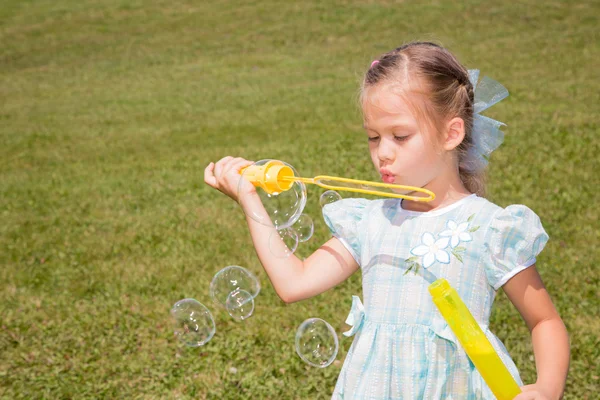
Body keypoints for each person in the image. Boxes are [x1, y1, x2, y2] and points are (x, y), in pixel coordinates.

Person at [204, 41, 570, 399]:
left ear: (451, 133)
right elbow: (293, 283)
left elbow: (545, 321)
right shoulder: (371, 222)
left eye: (400, 136)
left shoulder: (489, 228)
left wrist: (546, 388)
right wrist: (248, 197)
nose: (383, 153)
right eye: (373, 137)